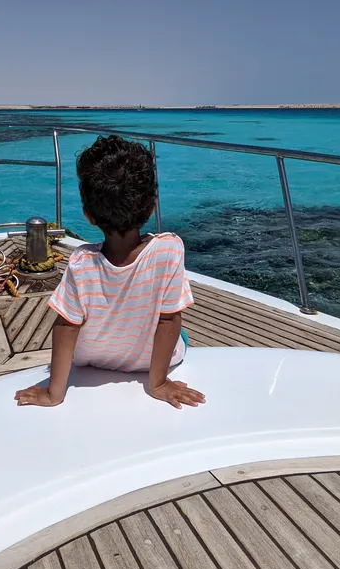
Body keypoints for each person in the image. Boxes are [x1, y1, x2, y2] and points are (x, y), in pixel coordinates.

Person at [14, 135, 206, 409]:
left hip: (91, 359)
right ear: (151, 207)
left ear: (88, 215)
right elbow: (168, 321)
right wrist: (159, 384)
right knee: (180, 331)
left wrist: (53, 394)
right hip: (148, 363)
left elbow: (67, 327)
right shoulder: (169, 250)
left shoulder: (82, 262)